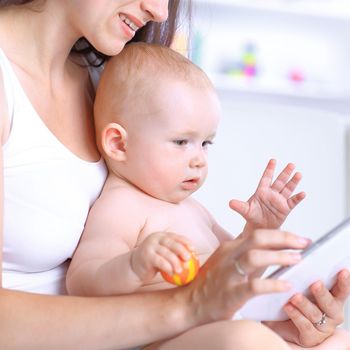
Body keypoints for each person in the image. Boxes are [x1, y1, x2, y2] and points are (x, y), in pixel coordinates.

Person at [67, 42, 350, 350]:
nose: (199, 159)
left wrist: (257, 231)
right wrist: (134, 265)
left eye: (206, 144)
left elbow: (238, 273)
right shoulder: (121, 206)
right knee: (246, 338)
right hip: (168, 339)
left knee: (339, 340)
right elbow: (82, 281)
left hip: (225, 327)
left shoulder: (193, 209)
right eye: (181, 141)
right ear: (119, 144)